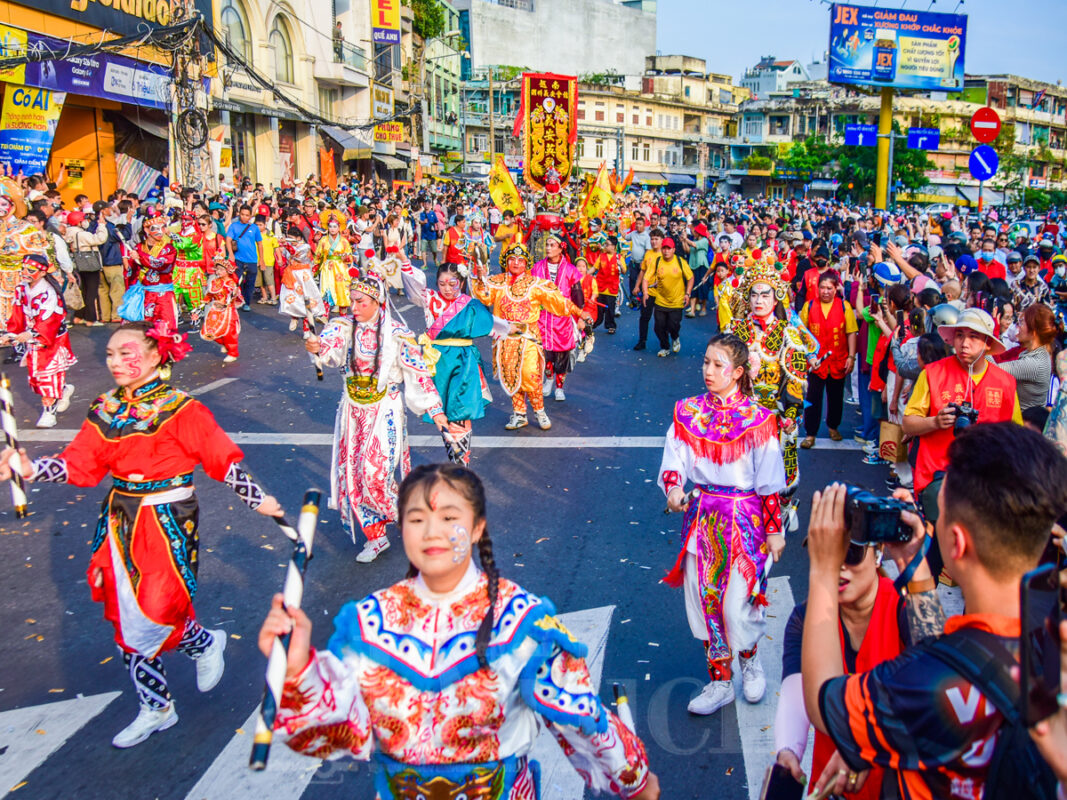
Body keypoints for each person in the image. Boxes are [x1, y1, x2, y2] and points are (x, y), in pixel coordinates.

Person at [260, 463, 659, 800]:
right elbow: (336, 731)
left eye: (449, 518)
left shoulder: (522, 621)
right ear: (402, 527)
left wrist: (634, 780)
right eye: (417, 519)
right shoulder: (369, 622)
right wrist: (295, 668)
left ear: (476, 528)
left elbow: (581, 717)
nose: (432, 531)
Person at [0, 322, 282, 748]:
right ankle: (159, 703)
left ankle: (199, 647)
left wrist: (257, 499)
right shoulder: (105, 408)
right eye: (110, 354)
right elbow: (80, 463)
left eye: (126, 353)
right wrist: (31, 468)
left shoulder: (181, 408)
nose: (115, 362)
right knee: (129, 614)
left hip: (168, 520)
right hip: (120, 520)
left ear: (155, 356)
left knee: (156, 606)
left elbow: (220, 458)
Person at [801, 424, 1067, 800]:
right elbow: (953, 654)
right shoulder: (1053, 648)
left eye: (938, 514)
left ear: (956, 543)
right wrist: (914, 566)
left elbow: (822, 701)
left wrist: (823, 570)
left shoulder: (923, 684)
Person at [659, 333, 786, 716]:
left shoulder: (759, 419)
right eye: (706, 362)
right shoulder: (688, 413)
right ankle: (719, 681)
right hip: (702, 520)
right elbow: (674, 459)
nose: (709, 371)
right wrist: (673, 489)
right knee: (706, 602)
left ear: (738, 372)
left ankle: (749, 659)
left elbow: (769, 481)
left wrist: (774, 530)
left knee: (737, 605)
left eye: (718, 364)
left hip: (745, 521)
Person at [304, 267, 449, 563]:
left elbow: (418, 374)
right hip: (352, 411)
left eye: (361, 302)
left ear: (378, 302)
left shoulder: (397, 334)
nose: (354, 307)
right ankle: (376, 536)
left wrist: (435, 411)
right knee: (355, 476)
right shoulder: (342, 327)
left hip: (386, 409)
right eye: (352, 301)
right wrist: (316, 347)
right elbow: (329, 351)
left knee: (375, 473)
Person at [728, 253, 815, 529]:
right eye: (754, 295)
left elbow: (796, 378)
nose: (759, 300)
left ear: (775, 299)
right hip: (742, 411)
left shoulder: (788, 332)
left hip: (776, 413)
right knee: (741, 467)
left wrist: (791, 412)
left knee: (782, 464)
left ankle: (783, 508)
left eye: (765, 295)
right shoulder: (735, 331)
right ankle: (745, 512)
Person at [470, 241, 587, 431]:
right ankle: (519, 414)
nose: (516, 263)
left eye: (520, 259)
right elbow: (484, 296)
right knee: (511, 376)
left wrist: (579, 313)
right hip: (505, 339)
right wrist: (480, 277)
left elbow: (559, 301)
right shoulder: (497, 282)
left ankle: (540, 411)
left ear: (526, 263)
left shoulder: (535, 284)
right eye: (512, 259)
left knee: (530, 375)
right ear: (506, 261)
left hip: (528, 338)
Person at [400, 258, 503, 465]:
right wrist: (403, 259)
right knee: (443, 412)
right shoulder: (429, 298)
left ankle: (461, 461)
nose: (447, 289)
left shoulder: (469, 304)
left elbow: (491, 324)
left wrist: (511, 329)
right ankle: (456, 459)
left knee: (461, 410)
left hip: (463, 361)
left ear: (461, 283)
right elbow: (414, 287)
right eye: (442, 284)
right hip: (438, 361)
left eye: (452, 283)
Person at [6, 254, 77, 427]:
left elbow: (50, 320)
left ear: (43, 272)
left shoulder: (49, 292)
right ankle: (63, 389)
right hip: (34, 337)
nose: (25, 273)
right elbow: (17, 314)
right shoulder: (21, 289)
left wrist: (32, 333)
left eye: (30, 270)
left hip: (51, 339)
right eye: (23, 269)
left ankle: (49, 413)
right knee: (36, 377)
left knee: (47, 376)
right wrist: (12, 333)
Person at [800, 271, 857, 447]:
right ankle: (810, 433)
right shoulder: (809, 306)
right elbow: (801, 334)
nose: (825, 291)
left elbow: (851, 332)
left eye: (829, 288)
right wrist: (807, 356)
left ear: (836, 288)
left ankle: (833, 426)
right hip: (816, 362)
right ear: (817, 288)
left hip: (838, 360)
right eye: (822, 288)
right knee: (813, 398)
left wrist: (851, 356)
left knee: (836, 397)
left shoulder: (844, 306)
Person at [532, 234, 585, 402]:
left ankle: (559, 387)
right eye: (547, 245)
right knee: (546, 352)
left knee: (562, 354)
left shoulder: (570, 270)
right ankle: (548, 379)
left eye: (552, 245)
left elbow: (577, 295)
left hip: (562, 320)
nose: (548, 248)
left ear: (561, 248)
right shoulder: (537, 268)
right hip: (542, 319)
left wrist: (580, 316)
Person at [121, 208, 178, 329]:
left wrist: (141, 257)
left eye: (163, 227)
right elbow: (132, 272)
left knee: (165, 328)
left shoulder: (169, 249)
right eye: (156, 228)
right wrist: (131, 262)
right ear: (146, 230)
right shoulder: (138, 248)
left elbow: (163, 265)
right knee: (142, 329)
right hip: (144, 294)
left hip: (163, 296)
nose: (160, 231)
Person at [996, 302, 1056, 412]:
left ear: (1033, 332)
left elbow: (993, 370)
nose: (1017, 327)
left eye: (1021, 323)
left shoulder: (1035, 363)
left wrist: (984, 340)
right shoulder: (1033, 353)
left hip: (1024, 420)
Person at [641, 237, 694, 358]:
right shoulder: (657, 261)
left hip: (676, 301)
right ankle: (665, 347)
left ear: (673, 250)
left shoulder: (680, 261)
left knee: (673, 325)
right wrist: (645, 292)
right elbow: (646, 278)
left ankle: (675, 337)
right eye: (664, 248)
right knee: (658, 327)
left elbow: (690, 278)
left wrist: (688, 293)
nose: (666, 251)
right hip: (660, 300)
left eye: (669, 248)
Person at [277, 224, 327, 333]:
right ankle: (294, 317)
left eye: (292, 238)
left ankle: (306, 330)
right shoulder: (289, 245)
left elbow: (296, 255)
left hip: (303, 276)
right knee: (291, 298)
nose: (290, 240)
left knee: (306, 301)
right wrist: (280, 245)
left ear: (299, 237)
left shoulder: (305, 247)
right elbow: (285, 255)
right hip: (291, 275)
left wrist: (286, 245)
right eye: (288, 238)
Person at [64, 209, 108, 326]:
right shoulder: (82, 234)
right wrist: (101, 226)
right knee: (91, 292)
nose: (85, 222)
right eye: (83, 220)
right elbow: (100, 239)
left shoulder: (69, 233)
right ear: (78, 222)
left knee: (83, 291)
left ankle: (78, 316)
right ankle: (90, 319)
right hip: (89, 263)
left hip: (78, 263)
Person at [200, 252, 242, 363]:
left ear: (228, 271)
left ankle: (232, 353)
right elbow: (210, 294)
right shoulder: (215, 282)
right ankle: (225, 344)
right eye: (217, 269)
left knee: (229, 333)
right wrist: (204, 302)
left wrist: (234, 295)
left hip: (228, 311)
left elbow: (236, 297)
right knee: (210, 331)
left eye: (221, 269)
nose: (218, 272)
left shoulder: (231, 283)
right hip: (215, 311)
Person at [226, 204, 263, 312]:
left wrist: (261, 259)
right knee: (236, 281)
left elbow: (260, 244)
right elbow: (228, 240)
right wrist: (231, 254)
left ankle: (247, 302)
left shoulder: (254, 228)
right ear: (239, 214)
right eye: (242, 214)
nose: (244, 217)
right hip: (238, 259)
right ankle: (236, 301)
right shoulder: (234, 226)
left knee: (250, 282)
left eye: (247, 215)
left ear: (250, 216)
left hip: (252, 259)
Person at [314, 217, 353, 313]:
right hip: (327, 267)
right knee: (326, 289)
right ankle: (325, 315)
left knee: (341, 290)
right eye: (330, 226)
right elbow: (318, 254)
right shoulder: (323, 240)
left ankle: (343, 315)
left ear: (339, 228)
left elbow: (349, 256)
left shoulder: (344, 241)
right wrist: (316, 265)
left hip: (340, 268)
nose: (332, 229)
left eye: (335, 227)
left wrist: (345, 257)